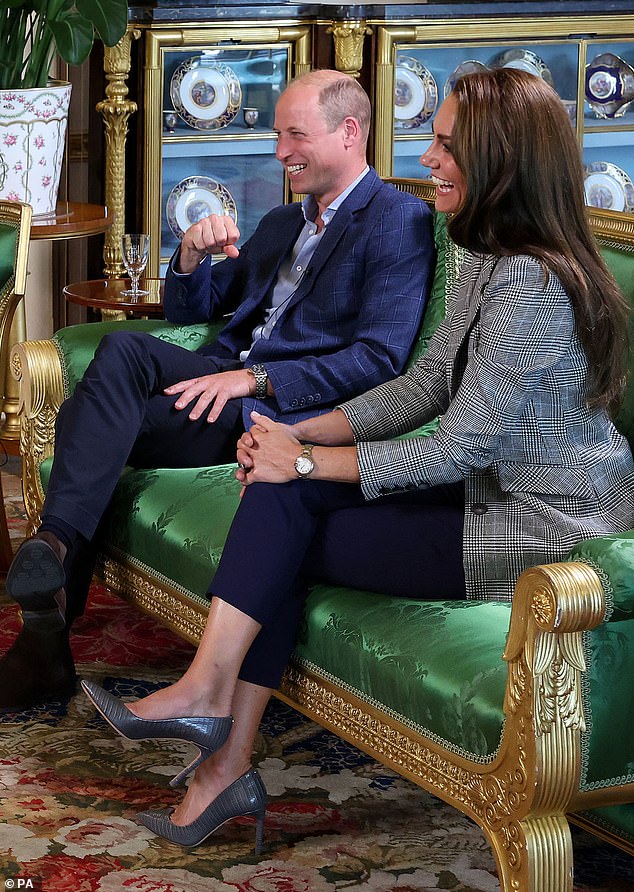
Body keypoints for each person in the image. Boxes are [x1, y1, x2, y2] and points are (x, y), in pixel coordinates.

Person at [82, 66, 634, 851]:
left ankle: (220, 748)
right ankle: (219, 742)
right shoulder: (479, 250)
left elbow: (458, 445)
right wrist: (300, 434)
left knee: (286, 514)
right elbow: (423, 386)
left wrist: (300, 463)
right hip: (482, 485)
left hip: (542, 524)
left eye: (445, 147)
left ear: (501, 160)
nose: (429, 160)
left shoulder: (534, 282)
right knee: (278, 494)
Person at [0, 70, 435, 712]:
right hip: (219, 382)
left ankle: (48, 613)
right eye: (278, 134)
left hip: (278, 412)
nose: (281, 152)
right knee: (104, 396)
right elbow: (194, 309)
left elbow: (380, 359)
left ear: (349, 133)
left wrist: (257, 376)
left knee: (91, 413)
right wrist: (189, 257)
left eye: (295, 135)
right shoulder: (287, 219)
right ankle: (52, 586)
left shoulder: (398, 221)